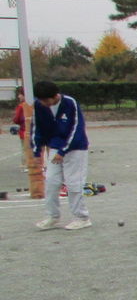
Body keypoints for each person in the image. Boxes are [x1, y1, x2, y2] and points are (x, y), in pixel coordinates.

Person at [31, 80, 91, 230]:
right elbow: (37, 128)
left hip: (76, 148)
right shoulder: (39, 106)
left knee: (73, 183)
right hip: (54, 147)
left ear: (54, 96)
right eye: (41, 100)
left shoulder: (70, 103)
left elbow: (77, 128)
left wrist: (63, 150)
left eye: (45, 100)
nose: (43, 103)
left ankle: (82, 217)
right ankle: (53, 216)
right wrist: (36, 151)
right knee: (51, 182)